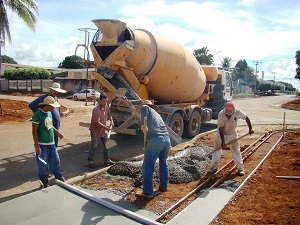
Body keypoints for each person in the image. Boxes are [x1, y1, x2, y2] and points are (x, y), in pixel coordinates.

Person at [136, 100, 171, 199]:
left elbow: (145, 124)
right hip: (166, 140)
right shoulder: (157, 115)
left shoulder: (145, 108)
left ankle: (147, 192)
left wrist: (143, 125)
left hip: (156, 140)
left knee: (147, 167)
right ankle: (164, 186)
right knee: (163, 163)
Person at [208, 102, 253, 176]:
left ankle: (240, 168)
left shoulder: (238, 112)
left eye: (229, 112)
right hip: (220, 134)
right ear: (224, 109)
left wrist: (250, 129)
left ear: (233, 110)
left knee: (236, 151)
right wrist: (223, 142)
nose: (228, 114)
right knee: (216, 150)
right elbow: (221, 128)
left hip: (232, 134)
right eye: (227, 112)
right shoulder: (221, 114)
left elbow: (246, 118)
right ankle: (214, 168)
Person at [32, 96, 65, 188]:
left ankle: (59, 177)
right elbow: (34, 131)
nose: (54, 108)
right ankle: (44, 182)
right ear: (48, 105)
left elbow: (50, 126)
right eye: (53, 106)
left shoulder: (49, 113)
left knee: (55, 161)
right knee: (42, 164)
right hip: (42, 144)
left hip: (51, 143)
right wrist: (37, 146)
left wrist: (58, 133)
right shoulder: (37, 115)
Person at [29, 82, 67, 148]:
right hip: (47, 124)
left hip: (55, 124)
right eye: (54, 91)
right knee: (47, 143)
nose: (56, 93)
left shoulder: (56, 98)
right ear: (50, 90)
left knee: (54, 142)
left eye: (57, 91)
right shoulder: (45, 98)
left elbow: (57, 108)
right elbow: (32, 105)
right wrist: (41, 115)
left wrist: (59, 114)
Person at [87, 93, 115, 167]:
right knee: (94, 145)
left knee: (107, 144)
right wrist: (106, 127)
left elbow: (109, 114)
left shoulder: (106, 107)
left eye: (106, 101)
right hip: (95, 130)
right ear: (99, 101)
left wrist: (111, 121)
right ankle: (90, 160)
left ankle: (107, 159)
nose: (105, 103)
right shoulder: (96, 110)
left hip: (102, 130)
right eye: (103, 101)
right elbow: (97, 122)